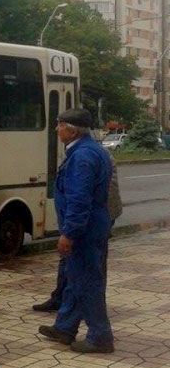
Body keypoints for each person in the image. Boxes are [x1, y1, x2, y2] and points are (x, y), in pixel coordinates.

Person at [38, 108, 115, 353]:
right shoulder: (89, 150)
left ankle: (100, 336)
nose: (56, 129)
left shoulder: (82, 156)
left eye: (59, 125)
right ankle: (65, 327)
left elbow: (79, 199)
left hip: (85, 230)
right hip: (91, 226)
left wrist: (69, 233)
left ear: (71, 130)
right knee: (75, 279)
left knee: (87, 282)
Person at [32, 136, 122, 312]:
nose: (57, 130)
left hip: (94, 219)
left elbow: (95, 193)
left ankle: (91, 310)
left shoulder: (89, 154)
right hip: (88, 218)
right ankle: (61, 301)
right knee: (69, 261)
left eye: (61, 125)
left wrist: (77, 225)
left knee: (90, 266)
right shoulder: (79, 151)